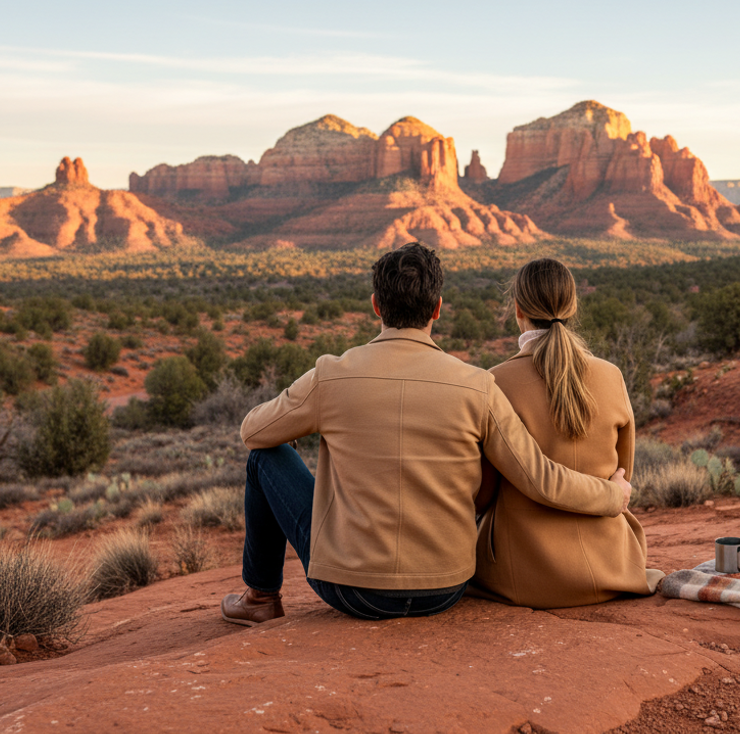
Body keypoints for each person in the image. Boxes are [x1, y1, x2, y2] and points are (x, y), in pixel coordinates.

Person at [222, 242, 632, 625]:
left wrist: (299, 426)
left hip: (351, 589)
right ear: (437, 308)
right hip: (446, 586)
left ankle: (261, 598)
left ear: (376, 305)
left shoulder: (332, 374)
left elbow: (253, 432)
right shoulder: (478, 385)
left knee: (266, 457)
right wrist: (612, 494)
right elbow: (538, 476)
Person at [472, 258, 662, 609]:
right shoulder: (611, 376)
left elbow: (483, 495)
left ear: (518, 309)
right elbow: (623, 477)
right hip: (613, 567)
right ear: (573, 307)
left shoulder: (494, 382)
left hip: (524, 575)